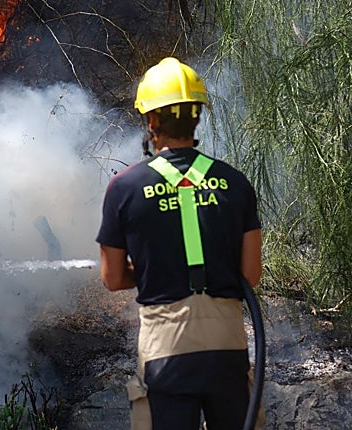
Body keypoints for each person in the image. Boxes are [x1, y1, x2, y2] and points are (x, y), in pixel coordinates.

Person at [96, 57, 262, 430]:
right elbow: (250, 274)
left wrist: (154, 269)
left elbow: (112, 278)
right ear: (197, 116)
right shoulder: (235, 182)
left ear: (152, 120)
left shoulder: (124, 188)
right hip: (227, 347)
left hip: (165, 349)